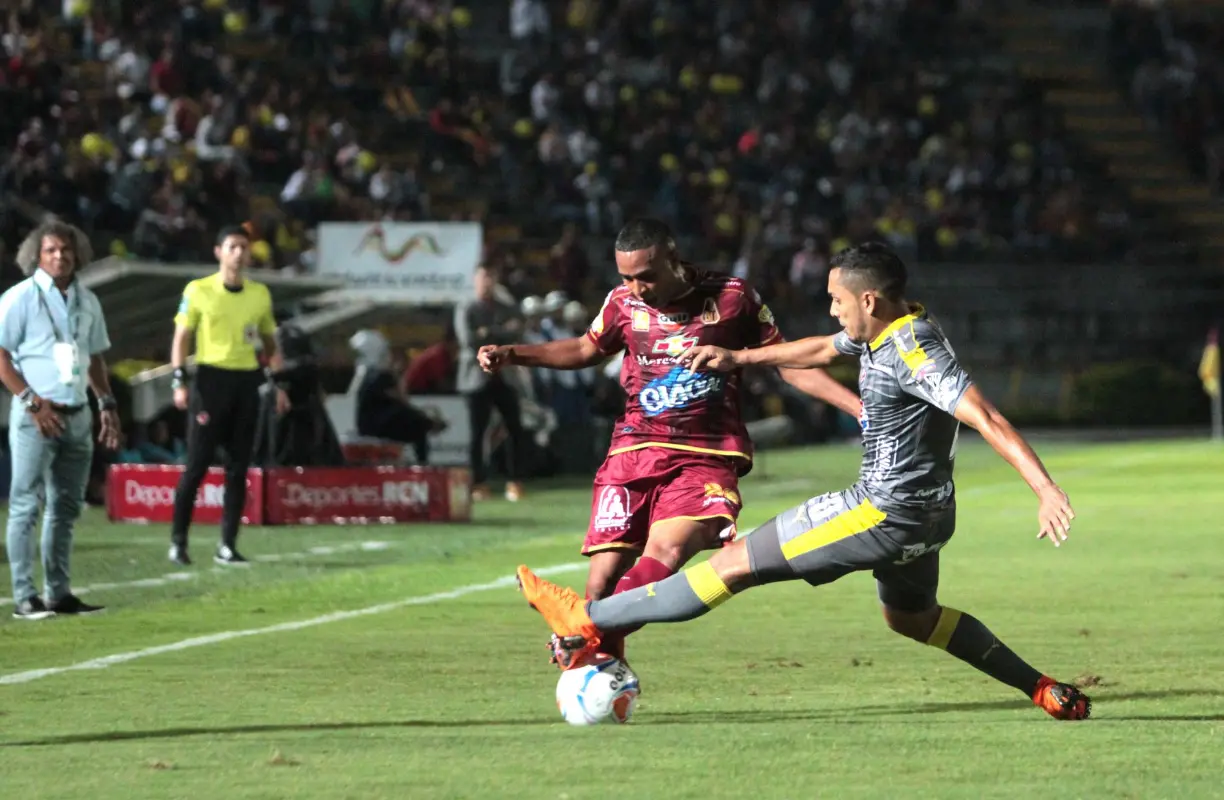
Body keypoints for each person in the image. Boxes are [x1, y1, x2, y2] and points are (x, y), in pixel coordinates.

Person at [515, 242, 1091, 721]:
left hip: (880, 512)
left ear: (868, 298)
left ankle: (586, 617)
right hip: (931, 518)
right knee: (912, 619)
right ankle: (1042, 689)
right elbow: (820, 348)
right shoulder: (891, 325)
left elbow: (985, 416)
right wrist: (738, 359)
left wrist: (1044, 489)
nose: (833, 310)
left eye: (838, 300)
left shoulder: (914, 352)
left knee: (732, 566)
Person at [479, 218, 861, 666]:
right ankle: (605, 672)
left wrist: (856, 407)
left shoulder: (733, 298)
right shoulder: (621, 303)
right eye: (627, 277)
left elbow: (787, 361)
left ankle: (579, 626)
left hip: (706, 453)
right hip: (632, 449)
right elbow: (587, 349)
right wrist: (515, 354)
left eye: (647, 276)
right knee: (602, 582)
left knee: (668, 551)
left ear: (674, 259)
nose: (637, 287)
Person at [0, 221, 122, 619]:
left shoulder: (88, 300)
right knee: (25, 506)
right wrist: (32, 401)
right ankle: (24, 598)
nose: (59, 256)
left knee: (65, 508)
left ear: (78, 254)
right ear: (37, 254)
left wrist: (106, 403)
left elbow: (96, 358)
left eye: (66, 250)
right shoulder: (19, 297)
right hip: (36, 415)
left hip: (77, 414)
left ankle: (58, 593)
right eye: (51, 250)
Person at [168, 225, 290, 566]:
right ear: (218, 251)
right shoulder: (198, 290)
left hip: (247, 383)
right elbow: (181, 338)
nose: (239, 252)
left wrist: (278, 384)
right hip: (210, 382)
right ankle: (179, 541)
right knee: (197, 465)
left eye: (244, 247)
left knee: (238, 468)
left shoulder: (260, 294)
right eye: (232, 246)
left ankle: (227, 544)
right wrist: (179, 380)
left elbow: (269, 343)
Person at [454, 263, 527, 501]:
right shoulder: (466, 308)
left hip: (504, 376)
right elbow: (469, 340)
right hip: (476, 377)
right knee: (478, 433)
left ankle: (515, 481)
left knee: (514, 428)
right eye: (483, 276)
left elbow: (516, 334)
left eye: (491, 276)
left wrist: (488, 332)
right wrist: (498, 333)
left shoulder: (507, 307)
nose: (487, 281)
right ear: (475, 279)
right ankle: (478, 483)